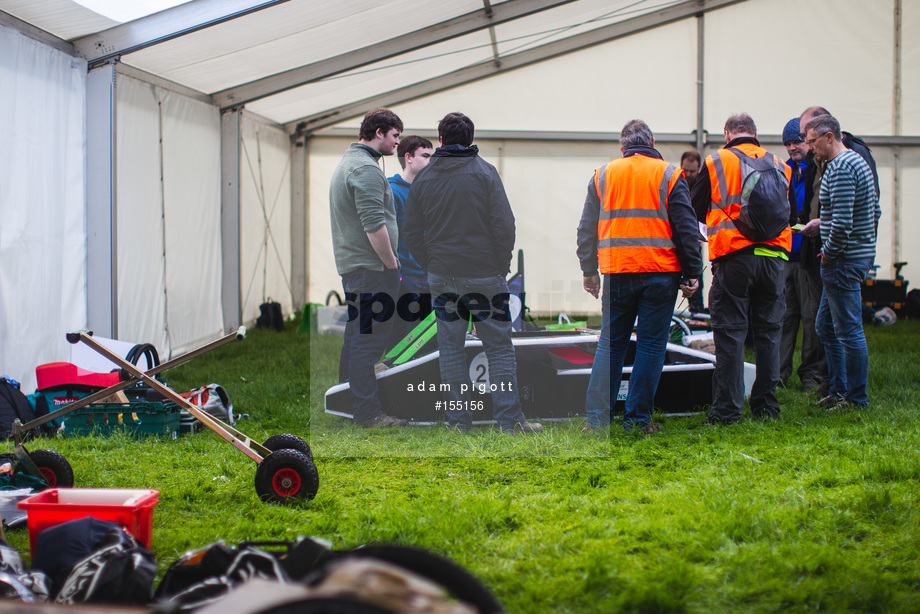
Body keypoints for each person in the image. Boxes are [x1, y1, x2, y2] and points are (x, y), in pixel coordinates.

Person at [403, 112, 541, 434]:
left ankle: (458, 424)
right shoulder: (486, 173)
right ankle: (510, 421)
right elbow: (505, 226)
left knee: (450, 349)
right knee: (499, 347)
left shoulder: (423, 178)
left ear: (440, 140)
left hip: (442, 274)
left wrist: (429, 263)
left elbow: (410, 231)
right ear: (470, 138)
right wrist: (500, 266)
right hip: (484, 274)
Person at [577, 120, 701, 433]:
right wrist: (691, 273)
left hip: (617, 272)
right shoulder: (670, 174)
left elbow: (585, 228)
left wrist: (589, 271)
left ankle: (595, 422)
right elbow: (686, 229)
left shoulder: (603, 174)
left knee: (611, 346)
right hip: (660, 274)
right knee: (650, 347)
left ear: (623, 147)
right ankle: (636, 422)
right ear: (653, 141)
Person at [690, 113, 792, 424]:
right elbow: (790, 212)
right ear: (754, 134)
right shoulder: (780, 164)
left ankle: (727, 411)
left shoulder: (717, 161)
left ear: (727, 134)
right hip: (774, 259)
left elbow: (693, 207)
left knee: (731, 333)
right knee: (770, 332)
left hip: (735, 257)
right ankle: (766, 407)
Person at [329, 107, 407, 428]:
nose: (397, 143)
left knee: (355, 337)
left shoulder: (350, 162)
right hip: (371, 270)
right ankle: (368, 412)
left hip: (358, 269)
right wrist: (392, 267)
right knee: (369, 341)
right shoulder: (365, 169)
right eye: (394, 136)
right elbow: (374, 226)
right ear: (379, 133)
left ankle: (346, 400)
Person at [796, 106, 879, 399]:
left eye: (812, 142)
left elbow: (843, 224)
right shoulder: (857, 161)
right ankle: (840, 390)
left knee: (848, 332)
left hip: (842, 260)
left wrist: (829, 254)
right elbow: (872, 210)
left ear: (829, 137)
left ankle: (855, 398)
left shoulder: (840, 168)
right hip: (855, 255)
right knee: (826, 327)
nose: (809, 148)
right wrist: (823, 222)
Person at [778, 118, 826, 393]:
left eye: (796, 142)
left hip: (809, 256)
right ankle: (779, 373)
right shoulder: (785, 170)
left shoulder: (818, 168)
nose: (792, 148)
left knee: (811, 319)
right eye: (788, 144)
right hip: (786, 255)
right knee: (785, 318)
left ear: (808, 142)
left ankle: (810, 376)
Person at [388, 135, 434, 348]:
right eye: (425, 156)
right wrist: (396, 273)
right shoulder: (391, 190)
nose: (430, 161)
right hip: (404, 277)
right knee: (401, 341)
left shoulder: (431, 191)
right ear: (408, 157)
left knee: (426, 340)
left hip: (429, 275)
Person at [680, 150, 706, 314]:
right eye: (686, 170)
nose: (688, 174)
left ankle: (696, 314)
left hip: (695, 239)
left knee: (695, 277)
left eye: (692, 171)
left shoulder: (702, 185)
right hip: (677, 238)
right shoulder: (676, 181)